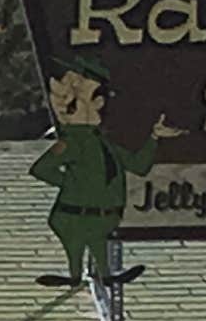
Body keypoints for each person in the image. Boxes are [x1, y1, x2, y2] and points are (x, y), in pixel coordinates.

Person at [29, 56, 180, 290]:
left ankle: (104, 275)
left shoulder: (104, 143)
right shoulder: (74, 142)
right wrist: (75, 185)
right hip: (75, 216)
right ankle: (76, 275)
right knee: (78, 242)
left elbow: (139, 166)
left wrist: (154, 138)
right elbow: (41, 169)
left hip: (101, 217)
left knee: (97, 242)